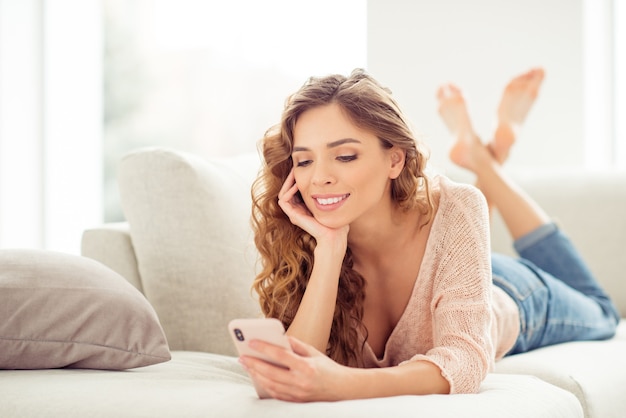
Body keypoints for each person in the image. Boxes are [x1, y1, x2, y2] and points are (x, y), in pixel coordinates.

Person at [242, 68, 620, 402]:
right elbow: (294, 369)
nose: (318, 177)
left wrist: (343, 384)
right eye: (304, 161)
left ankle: (484, 160)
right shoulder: (307, 238)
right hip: (456, 271)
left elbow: (467, 359)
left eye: (344, 156)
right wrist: (329, 247)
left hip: (509, 294)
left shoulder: (455, 205)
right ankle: (487, 157)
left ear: (395, 159)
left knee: (603, 312)